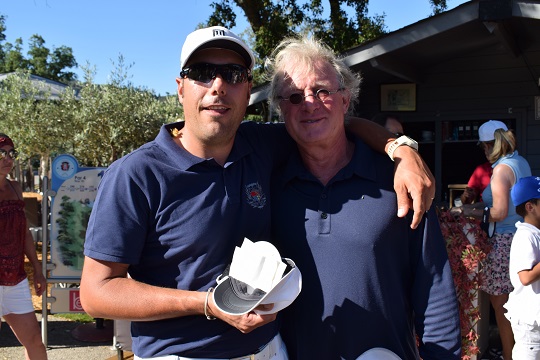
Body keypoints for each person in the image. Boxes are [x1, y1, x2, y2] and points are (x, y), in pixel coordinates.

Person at [80, 26, 435, 359]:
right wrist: (205, 303)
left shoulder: (261, 145)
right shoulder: (136, 174)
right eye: (203, 72)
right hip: (182, 353)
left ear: (248, 90)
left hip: (267, 350)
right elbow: (96, 293)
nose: (218, 86)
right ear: (180, 86)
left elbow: (334, 120)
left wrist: (401, 150)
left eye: (233, 74)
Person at [267, 36, 461, 359]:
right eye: (295, 96)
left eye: (322, 91)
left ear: (345, 99)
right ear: (281, 109)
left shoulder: (396, 181)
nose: (309, 103)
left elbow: (434, 288)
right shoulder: (268, 187)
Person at [452, 120, 532, 360]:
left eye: (484, 146)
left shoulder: (500, 171)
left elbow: (497, 212)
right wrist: (474, 207)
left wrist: (464, 212)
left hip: (502, 242)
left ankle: (509, 356)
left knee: (502, 307)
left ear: (491, 145)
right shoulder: (520, 162)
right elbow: (493, 205)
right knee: (518, 305)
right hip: (521, 237)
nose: (484, 151)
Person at [0, 134, 48, 360]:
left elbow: (25, 233)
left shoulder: (16, 187)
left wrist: (38, 271)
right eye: (2, 153)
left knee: (36, 344)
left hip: (16, 280)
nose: (7, 158)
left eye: (11, 153)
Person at [505, 176, 540, 360]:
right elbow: (525, 277)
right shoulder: (525, 236)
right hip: (530, 324)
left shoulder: (536, 233)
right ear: (530, 207)